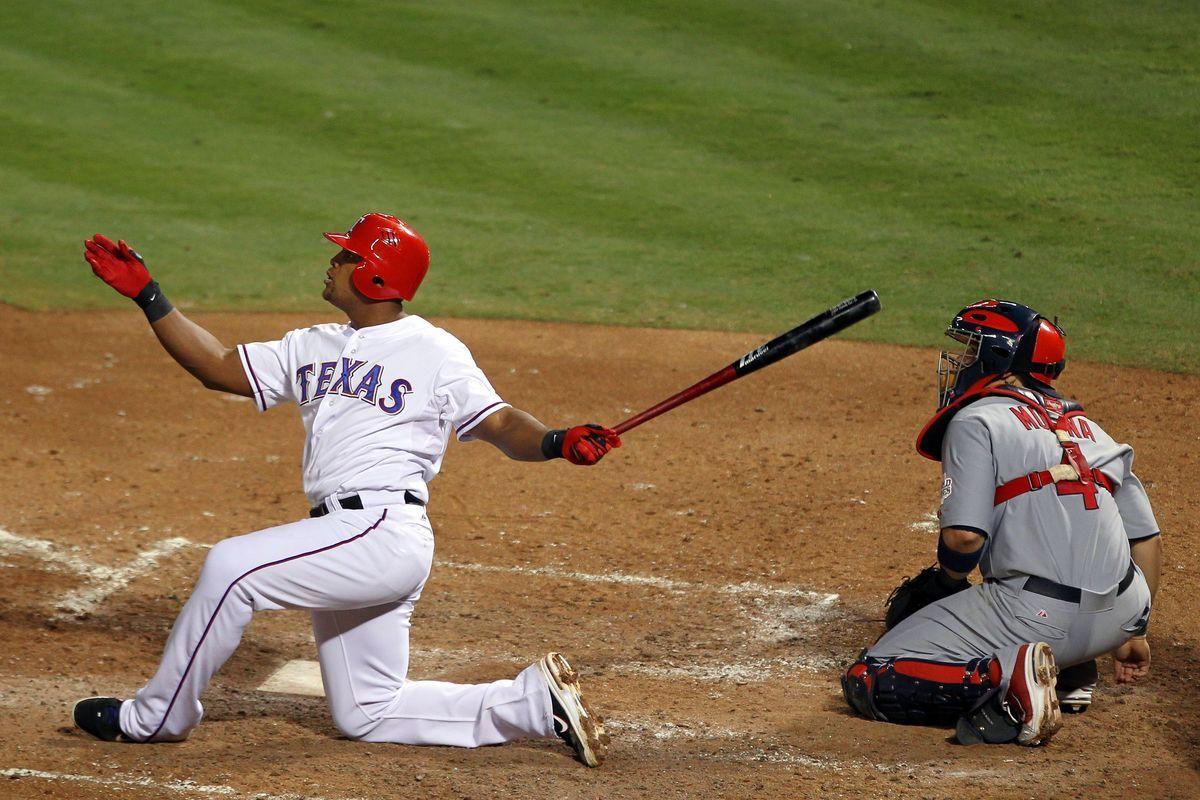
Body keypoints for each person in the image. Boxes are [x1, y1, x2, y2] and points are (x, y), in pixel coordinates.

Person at [74, 213, 620, 767]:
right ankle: (531, 704)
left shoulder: (434, 350)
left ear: (375, 275)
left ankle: (157, 717)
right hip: (344, 537)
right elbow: (218, 367)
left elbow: (499, 423)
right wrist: (150, 296)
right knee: (366, 711)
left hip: (380, 531)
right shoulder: (312, 344)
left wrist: (553, 439)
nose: (333, 263)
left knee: (231, 567)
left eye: (346, 256)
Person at [841, 299, 1161, 746]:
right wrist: (1133, 632)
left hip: (1039, 616)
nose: (962, 361)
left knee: (871, 675)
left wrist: (947, 581)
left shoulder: (975, 420)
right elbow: (1144, 537)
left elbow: (965, 538)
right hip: (1121, 615)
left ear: (998, 355)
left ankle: (1015, 684)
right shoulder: (1091, 427)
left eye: (972, 350)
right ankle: (1071, 668)